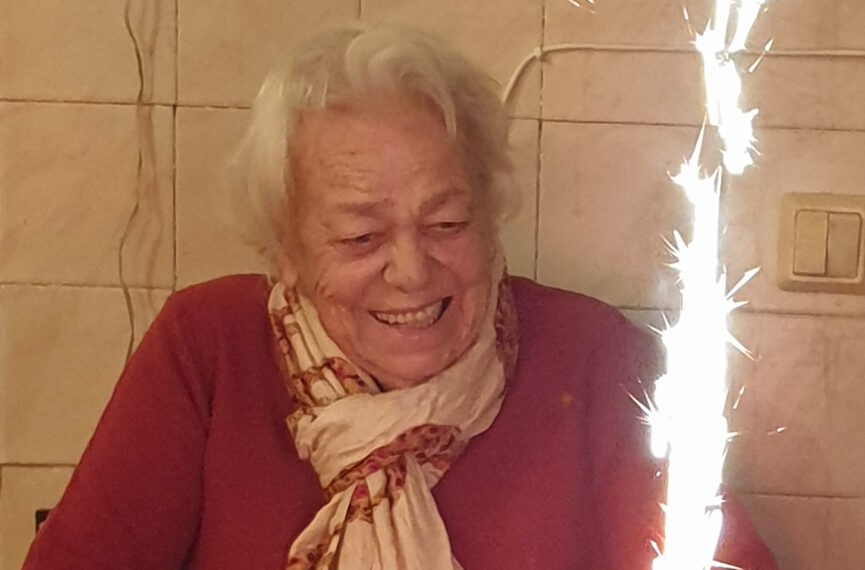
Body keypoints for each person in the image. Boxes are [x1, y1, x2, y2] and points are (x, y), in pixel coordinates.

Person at [23, 25, 778, 570]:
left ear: (490, 215)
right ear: (285, 250)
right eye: (361, 237)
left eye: (447, 224)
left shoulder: (597, 358)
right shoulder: (207, 349)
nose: (413, 272)